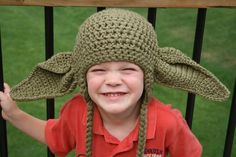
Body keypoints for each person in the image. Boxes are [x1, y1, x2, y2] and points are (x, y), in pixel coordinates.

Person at [0, 9, 230, 157]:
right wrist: (14, 114)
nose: (112, 80)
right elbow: (54, 136)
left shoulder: (168, 122)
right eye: (99, 70)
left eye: (128, 69)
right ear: (82, 76)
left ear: (147, 75)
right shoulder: (77, 112)